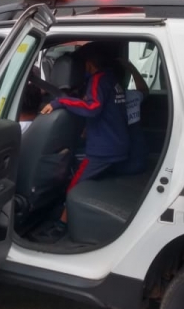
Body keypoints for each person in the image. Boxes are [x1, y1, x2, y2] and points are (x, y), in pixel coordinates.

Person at [35, 45, 130, 242]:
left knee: (74, 187)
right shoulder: (111, 78)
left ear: (89, 64)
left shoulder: (97, 79)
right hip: (118, 143)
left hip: (102, 150)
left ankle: (60, 226)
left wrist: (60, 102)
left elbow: (93, 107)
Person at [113, 58, 150, 176]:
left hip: (120, 165)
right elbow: (144, 90)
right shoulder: (133, 96)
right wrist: (132, 68)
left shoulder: (105, 100)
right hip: (140, 160)